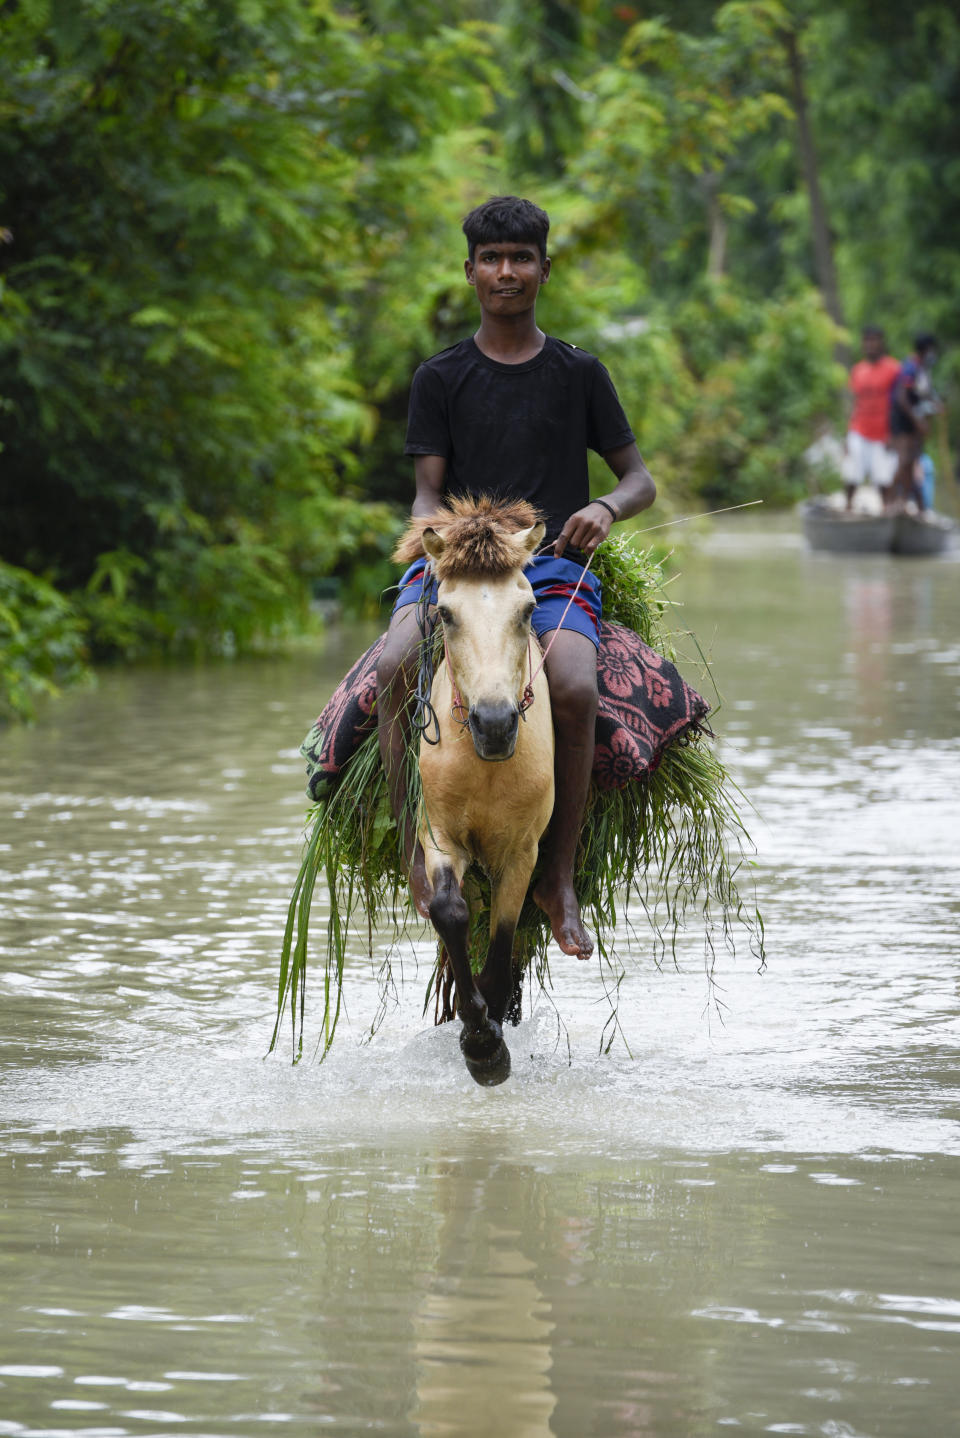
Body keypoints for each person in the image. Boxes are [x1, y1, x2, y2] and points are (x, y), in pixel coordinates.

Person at [376, 195, 656, 962]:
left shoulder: (579, 373)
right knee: (396, 662)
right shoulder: (439, 377)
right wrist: (432, 530)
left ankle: (557, 875)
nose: (507, 271)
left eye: (521, 258)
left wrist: (603, 504)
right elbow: (428, 492)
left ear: (543, 269)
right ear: (470, 272)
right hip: (459, 566)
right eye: (492, 258)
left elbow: (640, 480)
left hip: (552, 562)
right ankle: (413, 842)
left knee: (570, 681)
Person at [842, 326, 900, 511]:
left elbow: (898, 404)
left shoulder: (893, 369)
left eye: (874, 340)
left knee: (883, 476)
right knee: (852, 472)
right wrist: (847, 434)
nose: (871, 345)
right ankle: (848, 507)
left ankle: (886, 508)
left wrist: (894, 433)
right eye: (867, 341)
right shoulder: (858, 370)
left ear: (882, 343)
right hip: (859, 429)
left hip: (883, 432)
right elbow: (854, 403)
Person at [889, 333, 940, 511]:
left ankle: (911, 502)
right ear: (925, 350)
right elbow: (902, 398)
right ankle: (890, 499)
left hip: (914, 423)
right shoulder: (910, 368)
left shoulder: (923, 370)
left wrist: (934, 405)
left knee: (912, 461)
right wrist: (917, 420)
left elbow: (923, 394)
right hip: (903, 420)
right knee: (904, 460)